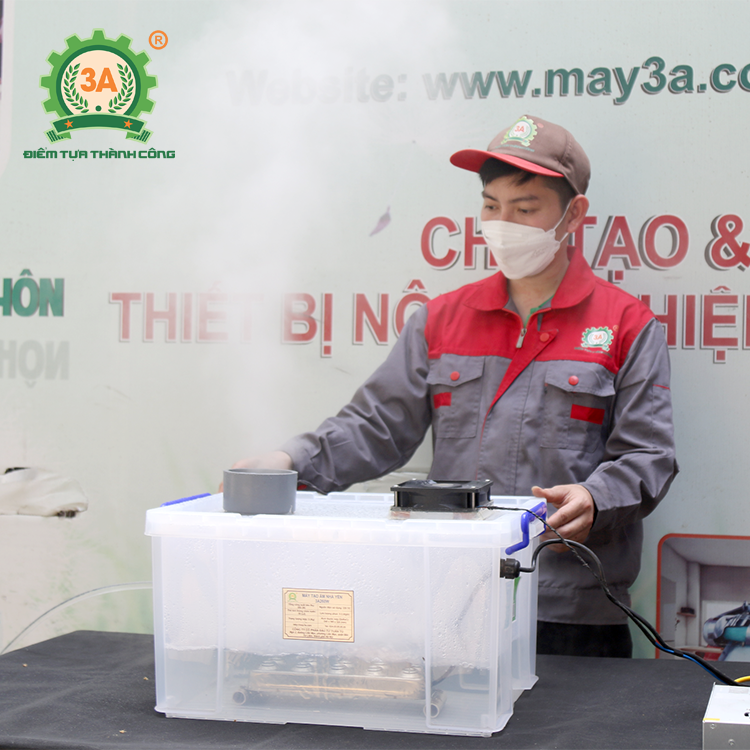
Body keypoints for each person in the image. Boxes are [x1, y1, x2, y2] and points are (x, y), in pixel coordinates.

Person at [233, 114, 678, 658]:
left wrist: (594, 497)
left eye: (525, 209)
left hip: (572, 609)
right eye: (491, 206)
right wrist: (290, 461)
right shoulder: (441, 320)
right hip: (454, 601)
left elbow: (648, 456)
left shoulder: (627, 326)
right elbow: (376, 426)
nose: (503, 223)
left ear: (574, 214)